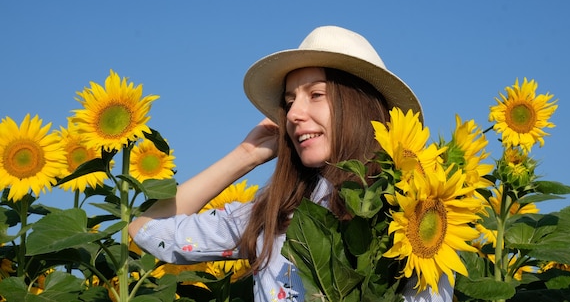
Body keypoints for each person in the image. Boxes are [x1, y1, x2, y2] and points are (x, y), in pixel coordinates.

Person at [129, 25, 453, 302]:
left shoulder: (415, 214)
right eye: (288, 102)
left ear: (358, 106)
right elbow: (145, 229)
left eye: (315, 95)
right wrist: (245, 156)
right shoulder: (273, 214)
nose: (294, 114)